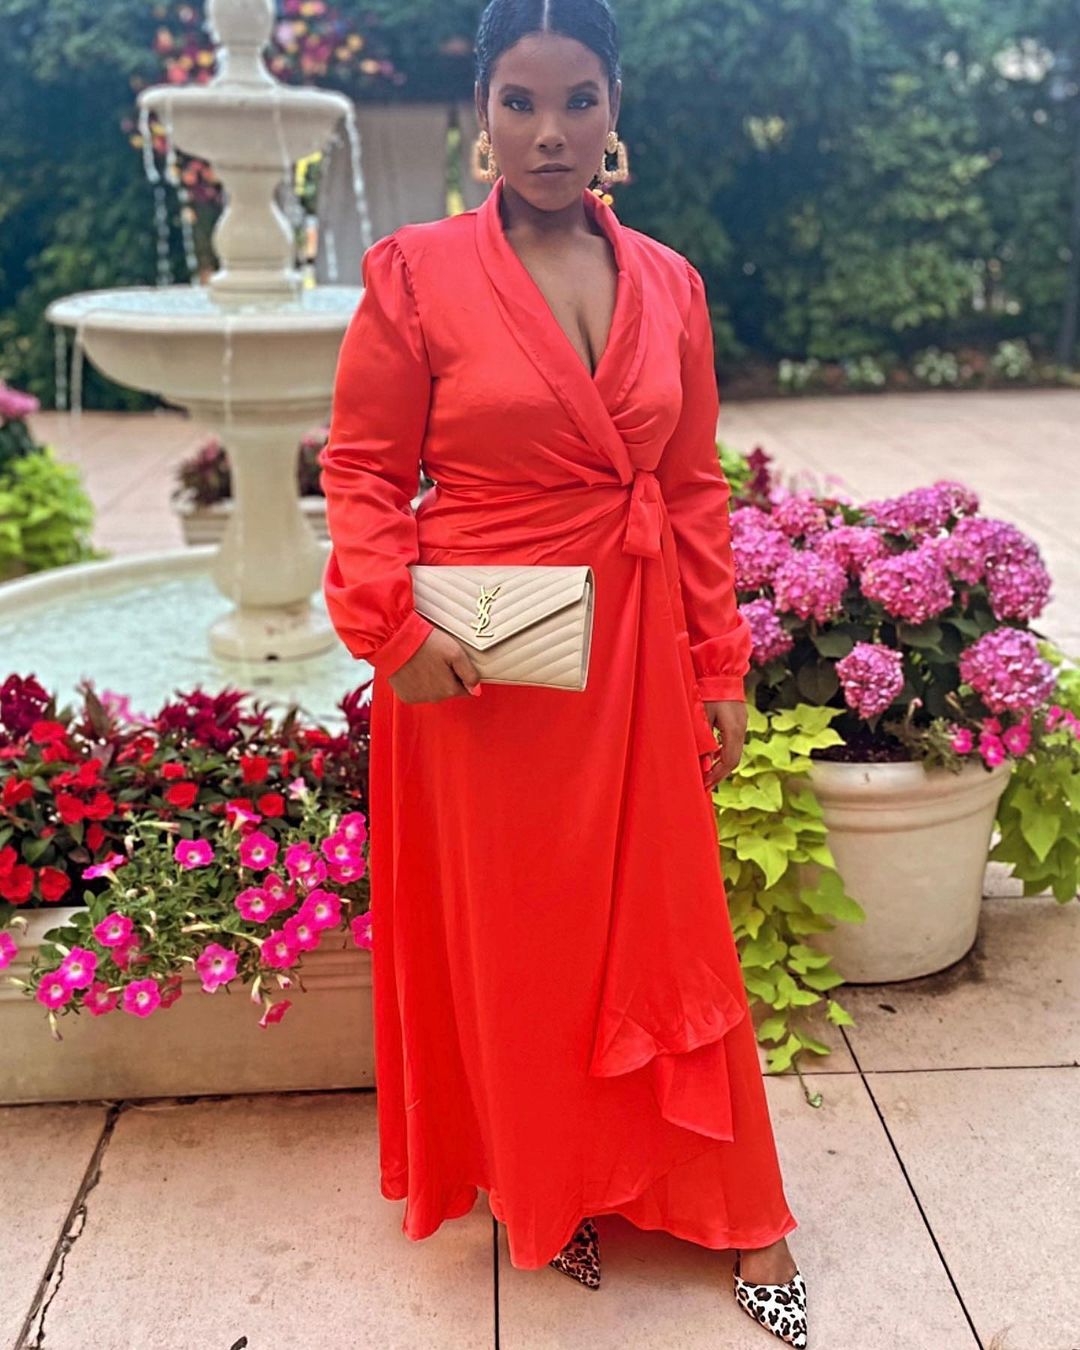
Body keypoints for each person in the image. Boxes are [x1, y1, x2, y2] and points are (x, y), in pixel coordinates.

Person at [319, 0, 807, 1343]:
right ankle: (551, 1181)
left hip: (634, 656)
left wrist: (719, 664)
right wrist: (394, 632)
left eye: (578, 99)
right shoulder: (415, 273)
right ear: (483, 113)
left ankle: (738, 1206)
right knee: (523, 944)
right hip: (479, 672)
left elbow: (693, 490)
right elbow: (361, 470)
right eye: (521, 101)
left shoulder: (670, 283)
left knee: (664, 925)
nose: (550, 131)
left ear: (614, 110)